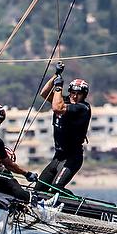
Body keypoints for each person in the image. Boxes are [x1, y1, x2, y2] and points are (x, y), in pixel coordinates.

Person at [35, 61, 92, 191]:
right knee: (38, 189)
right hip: (58, 157)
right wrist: (56, 75)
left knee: (56, 188)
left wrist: (58, 87)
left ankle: (72, 204)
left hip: (72, 158)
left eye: (79, 94)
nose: (75, 96)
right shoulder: (64, 100)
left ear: (84, 95)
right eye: (72, 92)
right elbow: (44, 94)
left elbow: (57, 108)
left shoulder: (82, 108)